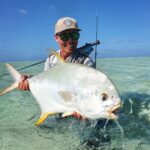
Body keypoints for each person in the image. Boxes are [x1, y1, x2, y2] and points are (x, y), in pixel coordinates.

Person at [18, 17, 95, 119]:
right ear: (56, 38)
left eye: (74, 35)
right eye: (65, 36)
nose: (70, 40)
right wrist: (29, 81)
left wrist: (85, 109)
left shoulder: (86, 62)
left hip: (76, 115)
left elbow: (89, 92)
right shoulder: (51, 60)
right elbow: (46, 85)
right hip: (56, 111)